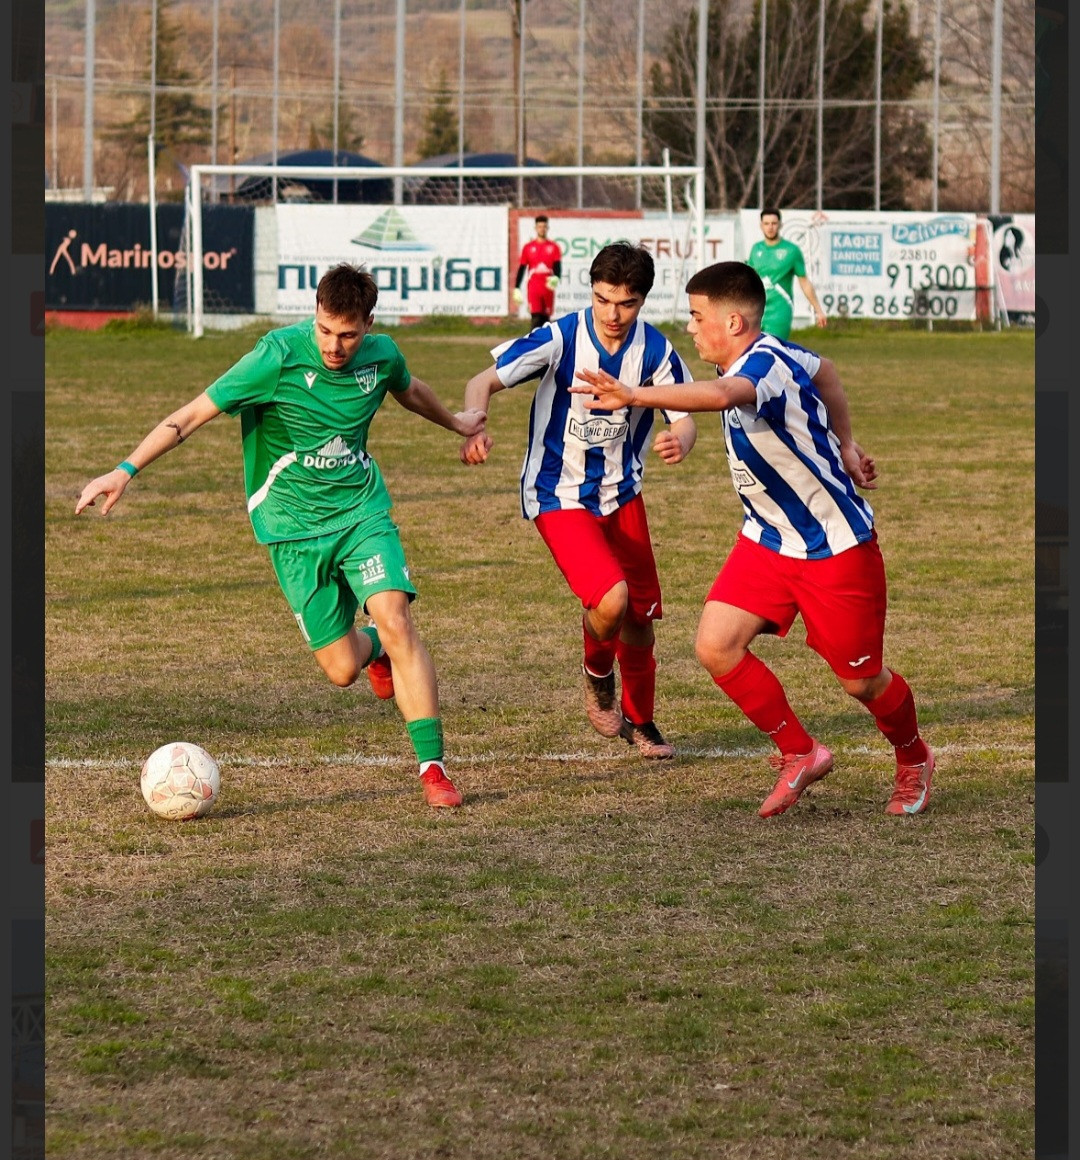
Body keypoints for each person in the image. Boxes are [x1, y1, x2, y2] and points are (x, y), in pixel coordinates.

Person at [75, 263, 487, 810]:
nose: (335, 346)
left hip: (362, 510)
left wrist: (457, 423)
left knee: (396, 615)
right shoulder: (276, 356)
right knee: (342, 668)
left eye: (348, 334)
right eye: (324, 330)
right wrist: (123, 470)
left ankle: (433, 768)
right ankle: (375, 651)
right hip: (291, 529)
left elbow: (408, 390)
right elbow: (192, 415)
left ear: (368, 324)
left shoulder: (382, 354)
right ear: (312, 315)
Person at [572, 261, 934, 817]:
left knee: (860, 681)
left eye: (697, 317)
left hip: (834, 546)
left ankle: (914, 758)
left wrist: (636, 395)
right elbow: (829, 372)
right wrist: (847, 443)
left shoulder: (760, 366)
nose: (690, 328)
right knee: (715, 645)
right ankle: (800, 752)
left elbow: (722, 394)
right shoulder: (780, 353)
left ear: (733, 321)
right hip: (767, 540)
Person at [461, 242, 698, 759]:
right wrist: (474, 425)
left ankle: (643, 722)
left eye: (626, 303)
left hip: (622, 493)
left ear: (643, 301)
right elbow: (482, 381)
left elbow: (685, 414)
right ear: (590, 292)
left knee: (639, 616)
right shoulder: (561, 337)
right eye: (603, 299)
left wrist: (682, 438)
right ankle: (597, 675)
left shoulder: (655, 351)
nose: (613, 314)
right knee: (610, 599)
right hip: (557, 493)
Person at [746, 207, 827, 339]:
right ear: (761, 226)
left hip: (780, 309)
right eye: (766, 224)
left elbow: (804, 281)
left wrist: (818, 310)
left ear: (780, 225)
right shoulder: (756, 249)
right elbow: (749, 280)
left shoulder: (791, 251)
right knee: (751, 352)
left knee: (774, 350)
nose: (770, 227)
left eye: (774, 223)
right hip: (756, 309)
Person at [513, 213, 563, 327]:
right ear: (536, 228)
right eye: (540, 227)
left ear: (547, 228)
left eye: (544, 227)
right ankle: (534, 344)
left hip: (547, 287)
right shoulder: (528, 247)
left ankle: (546, 344)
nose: (542, 229)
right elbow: (522, 268)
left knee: (546, 321)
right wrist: (517, 287)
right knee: (535, 318)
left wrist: (556, 277)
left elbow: (557, 266)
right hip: (534, 287)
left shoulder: (554, 247)